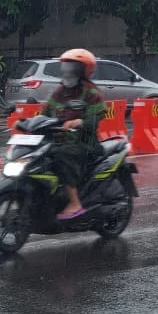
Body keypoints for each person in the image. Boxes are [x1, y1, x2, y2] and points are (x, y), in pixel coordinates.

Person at [43, 48, 106, 221]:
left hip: (85, 143)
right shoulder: (58, 92)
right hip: (60, 141)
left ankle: (75, 202)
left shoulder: (91, 93)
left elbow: (94, 121)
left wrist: (79, 122)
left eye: (72, 67)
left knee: (62, 155)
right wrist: (27, 123)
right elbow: (45, 114)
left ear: (84, 70)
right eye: (65, 67)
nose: (67, 71)